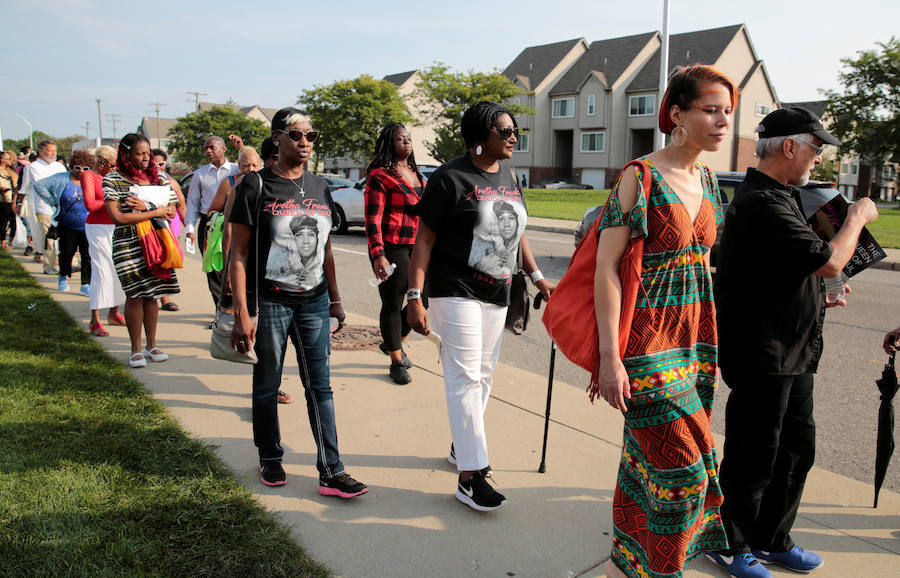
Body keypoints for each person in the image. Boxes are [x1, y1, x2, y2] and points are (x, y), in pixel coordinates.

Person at [710, 107, 879, 578]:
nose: (818, 158)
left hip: (794, 345)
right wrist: (859, 216)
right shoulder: (761, 201)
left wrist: (821, 297)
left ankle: (771, 539)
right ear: (790, 146)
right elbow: (827, 260)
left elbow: (790, 271)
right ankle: (730, 543)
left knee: (796, 447)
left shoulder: (785, 197)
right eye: (816, 147)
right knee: (754, 450)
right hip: (763, 350)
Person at [592, 65, 735, 577]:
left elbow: (709, 263)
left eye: (727, 111)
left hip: (696, 343)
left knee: (642, 466)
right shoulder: (640, 176)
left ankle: (622, 566)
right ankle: (663, 571)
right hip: (646, 344)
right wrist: (610, 359)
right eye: (710, 110)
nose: (722, 121)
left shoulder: (711, 180)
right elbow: (606, 266)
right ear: (677, 113)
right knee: (685, 473)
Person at [407, 101, 552, 511]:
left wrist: (539, 277)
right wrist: (414, 295)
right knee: (465, 376)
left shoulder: (508, 175)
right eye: (504, 130)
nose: (513, 137)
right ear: (480, 136)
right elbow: (424, 241)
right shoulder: (450, 178)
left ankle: (462, 447)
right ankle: (471, 476)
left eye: (515, 131)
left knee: (484, 375)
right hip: (455, 289)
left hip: (498, 292)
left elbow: (518, 231)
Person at [229, 107, 366, 497]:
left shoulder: (321, 186)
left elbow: (326, 248)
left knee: (320, 385)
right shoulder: (255, 186)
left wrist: (336, 300)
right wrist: (241, 310)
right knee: (268, 381)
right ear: (276, 138)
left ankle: (332, 470)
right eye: (295, 134)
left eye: (310, 135)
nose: (304, 141)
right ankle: (270, 456)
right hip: (271, 301)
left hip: (314, 302)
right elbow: (238, 253)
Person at [103, 133, 181, 369]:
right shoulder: (112, 180)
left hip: (156, 241)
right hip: (128, 243)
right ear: (125, 155)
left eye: (148, 153)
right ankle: (135, 349)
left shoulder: (159, 179)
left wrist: (148, 207)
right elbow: (118, 217)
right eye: (140, 153)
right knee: (135, 294)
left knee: (153, 295)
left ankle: (152, 345)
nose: (147, 158)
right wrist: (156, 211)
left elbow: (171, 210)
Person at [364, 122, 425, 384]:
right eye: (400, 139)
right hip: (390, 248)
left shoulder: (416, 173)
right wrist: (378, 254)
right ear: (390, 144)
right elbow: (372, 219)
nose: (406, 142)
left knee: (425, 295)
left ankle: (393, 340)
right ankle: (396, 360)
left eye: (408, 138)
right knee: (392, 301)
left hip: (417, 246)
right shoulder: (380, 176)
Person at [185, 136, 237, 311]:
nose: (208, 151)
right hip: (210, 224)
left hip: (233, 222)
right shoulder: (200, 174)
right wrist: (190, 228)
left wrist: (242, 147)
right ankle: (219, 311)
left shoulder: (236, 169)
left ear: (223, 149)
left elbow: (253, 167)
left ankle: (235, 309)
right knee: (213, 269)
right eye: (206, 148)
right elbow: (192, 202)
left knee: (232, 265)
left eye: (212, 147)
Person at [33, 149, 94, 296]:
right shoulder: (61, 178)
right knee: (67, 253)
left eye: (85, 168)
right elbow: (39, 185)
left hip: (87, 225)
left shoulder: (92, 180)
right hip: (67, 224)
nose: (81, 171)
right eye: (77, 167)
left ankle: (85, 283)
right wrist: (53, 201)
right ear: (71, 166)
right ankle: (63, 276)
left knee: (87, 256)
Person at [80, 145, 126, 336]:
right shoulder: (89, 176)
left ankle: (114, 312)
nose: (115, 168)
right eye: (112, 164)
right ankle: (95, 319)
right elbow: (90, 204)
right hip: (98, 227)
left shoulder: (116, 177)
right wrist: (113, 201)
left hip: (116, 225)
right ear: (101, 162)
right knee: (101, 270)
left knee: (118, 269)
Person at [19, 139, 67, 272]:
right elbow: (24, 188)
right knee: (49, 236)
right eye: (50, 151)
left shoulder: (59, 167)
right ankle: (50, 265)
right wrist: (18, 203)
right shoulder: (31, 168)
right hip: (43, 207)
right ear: (41, 151)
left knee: (65, 236)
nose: (53, 154)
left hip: (62, 208)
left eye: (54, 151)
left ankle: (67, 264)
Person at [151, 149, 187, 313]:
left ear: (166, 164)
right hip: (152, 228)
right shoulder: (145, 182)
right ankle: (162, 297)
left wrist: (190, 228)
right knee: (155, 260)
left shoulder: (172, 183)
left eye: (161, 163)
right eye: (154, 163)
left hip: (172, 227)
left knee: (168, 260)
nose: (158, 166)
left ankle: (164, 295)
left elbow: (181, 205)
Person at [0, 151, 18, 249]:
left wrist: (15, 200)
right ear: (2, 160)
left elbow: (17, 187)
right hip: (3, 199)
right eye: (8, 159)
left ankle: (10, 241)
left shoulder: (12, 172)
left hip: (12, 199)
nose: (11, 161)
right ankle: (3, 242)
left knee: (13, 222)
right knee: (3, 221)